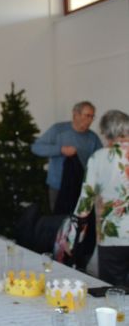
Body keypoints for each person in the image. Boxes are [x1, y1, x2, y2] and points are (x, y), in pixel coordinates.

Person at [70, 110, 129, 285]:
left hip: (112, 238)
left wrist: (73, 238)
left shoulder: (98, 158)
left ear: (105, 132)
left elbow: (84, 204)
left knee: (114, 290)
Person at [32, 101, 103, 212]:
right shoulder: (58, 130)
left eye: (92, 117)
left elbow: (101, 160)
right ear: (75, 114)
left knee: (80, 219)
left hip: (82, 188)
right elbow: (36, 147)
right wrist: (60, 150)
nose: (89, 120)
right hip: (57, 186)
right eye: (87, 115)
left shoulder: (93, 138)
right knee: (59, 219)